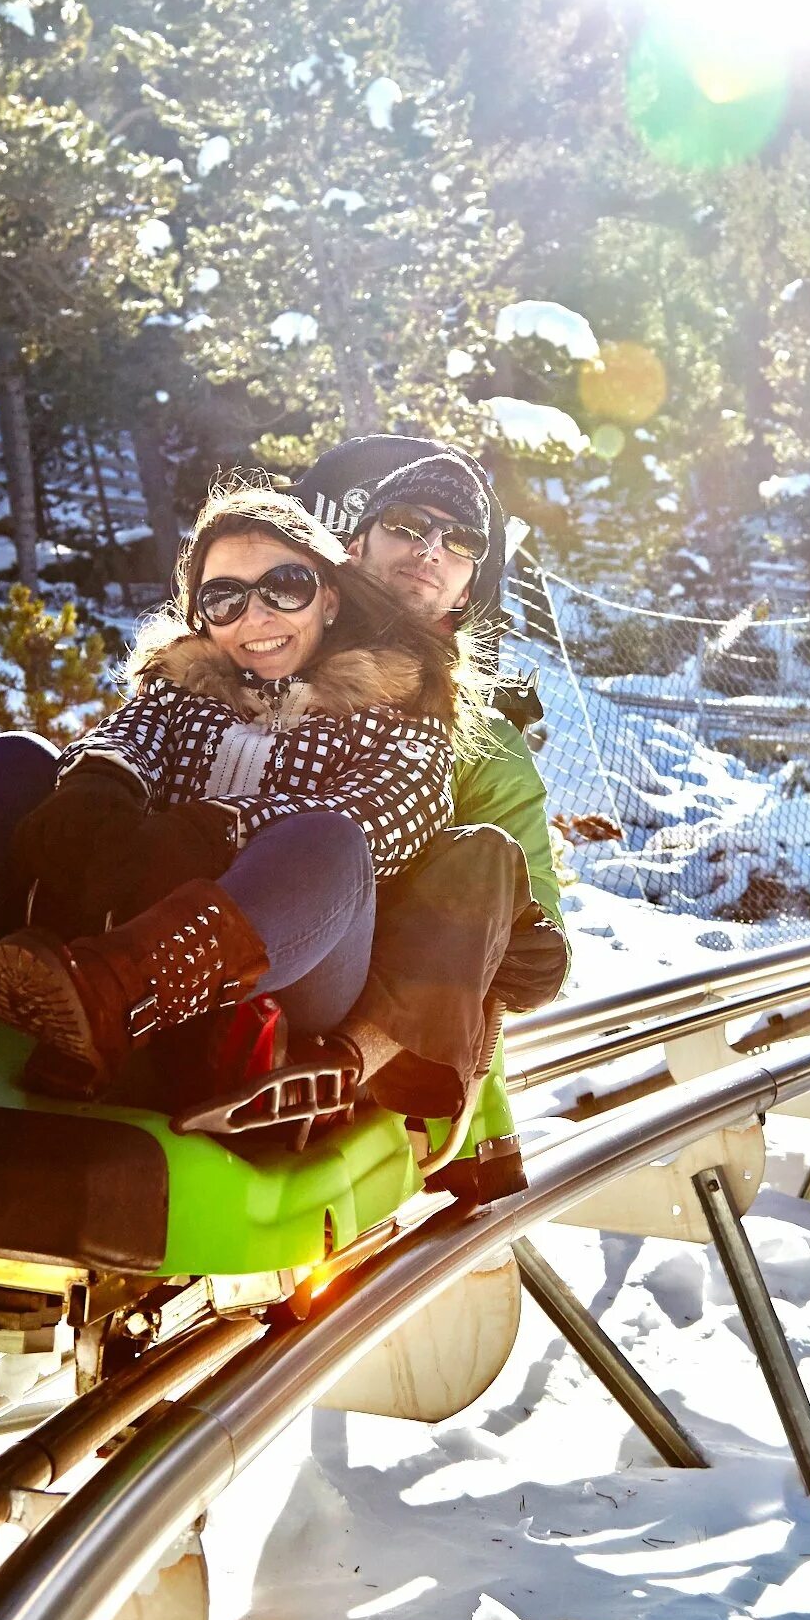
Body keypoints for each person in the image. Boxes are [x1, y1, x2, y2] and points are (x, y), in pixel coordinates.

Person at [0, 485, 480, 1104]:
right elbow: (126, 735)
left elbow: (390, 814)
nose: (256, 618)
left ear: (328, 596)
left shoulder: (397, 711)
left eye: (283, 589)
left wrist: (220, 831)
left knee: (328, 836)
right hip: (119, 922)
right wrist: (99, 783)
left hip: (294, 963)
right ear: (202, 616)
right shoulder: (182, 686)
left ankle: (111, 1006)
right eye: (225, 599)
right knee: (12, 760)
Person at [291, 438, 570, 1120]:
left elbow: (532, 893)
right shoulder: (275, 656)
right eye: (408, 525)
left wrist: (533, 939)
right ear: (355, 546)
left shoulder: (482, 741)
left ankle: (354, 1062)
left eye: (459, 539)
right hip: (247, 930)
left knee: (479, 854)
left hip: (369, 986)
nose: (431, 548)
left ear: (469, 582)